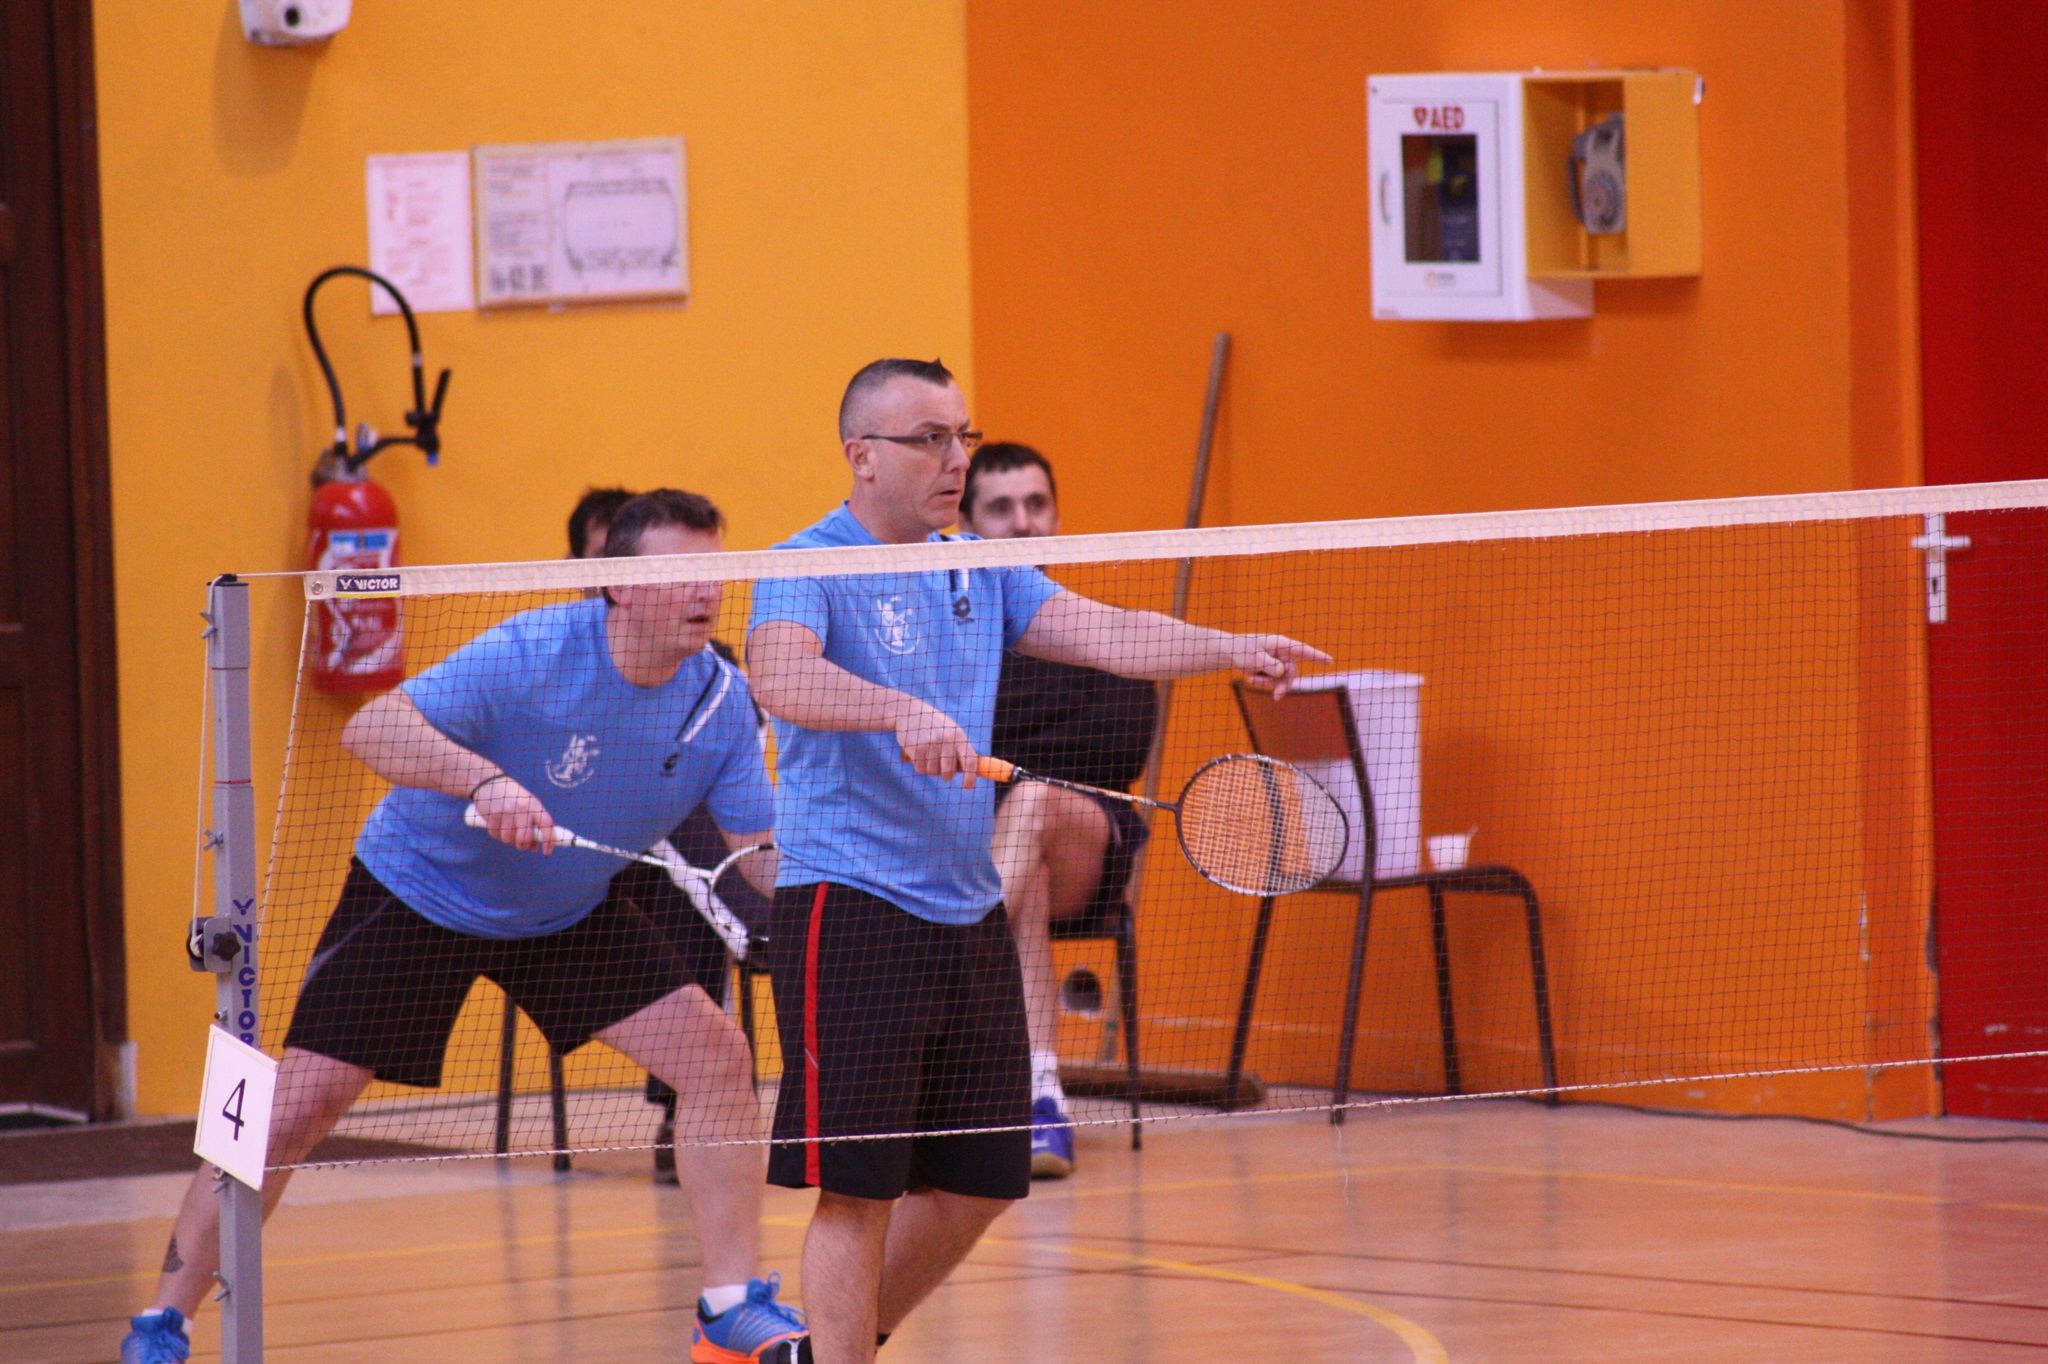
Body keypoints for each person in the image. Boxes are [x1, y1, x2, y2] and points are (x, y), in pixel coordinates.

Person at [122, 491, 807, 1364]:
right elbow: (373, 728)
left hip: (566, 911)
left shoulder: (721, 703)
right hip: (419, 892)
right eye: (679, 572)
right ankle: (164, 1319)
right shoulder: (533, 650)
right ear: (620, 586)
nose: (705, 591)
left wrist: (855, 879)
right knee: (289, 1106)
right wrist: (482, 782)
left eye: (715, 571)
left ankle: (728, 1307)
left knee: (716, 1056)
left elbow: (756, 855)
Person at [745, 358, 1326, 1363]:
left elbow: (1105, 631)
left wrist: (1227, 645)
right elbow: (779, 673)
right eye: (930, 439)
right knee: (858, 1187)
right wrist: (896, 710)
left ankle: (823, 1351)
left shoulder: (977, 564)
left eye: (961, 435)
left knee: (983, 1178)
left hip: (964, 909)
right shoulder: (808, 562)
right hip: (851, 906)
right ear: (861, 455)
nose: (956, 460)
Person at [957, 443, 1157, 1179]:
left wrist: (1001, 752)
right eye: (1001, 508)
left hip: (1089, 842)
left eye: (1037, 505)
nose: (1023, 522)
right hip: (980, 846)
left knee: (1035, 802)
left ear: (1058, 517)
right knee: (1027, 874)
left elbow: (1119, 745)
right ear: (967, 527)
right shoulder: (950, 641)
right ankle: (1041, 1098)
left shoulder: (1096, 626)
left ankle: (948, 968)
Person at [565, 484, 773, 1184]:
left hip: (668, 861)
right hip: (562, 863)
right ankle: (763, 925)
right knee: (696, 867)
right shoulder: (547, 657)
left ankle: (685, 1103)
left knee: (685, 871)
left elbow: (741, 797)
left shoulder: (719, 676)